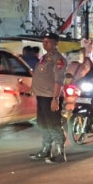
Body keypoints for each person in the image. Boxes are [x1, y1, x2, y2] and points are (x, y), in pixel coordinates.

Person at [30, 32, 69, 163]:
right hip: (42, 96)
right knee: (43, 124)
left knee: (53, 124)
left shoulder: (58, 59)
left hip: (51, 96)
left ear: (56, 43)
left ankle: (59, 153)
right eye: (44, 41)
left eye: (48, 41)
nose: (45, 43)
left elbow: (59, 80)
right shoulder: (45, 57)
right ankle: (46, 149)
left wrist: (55, 99)